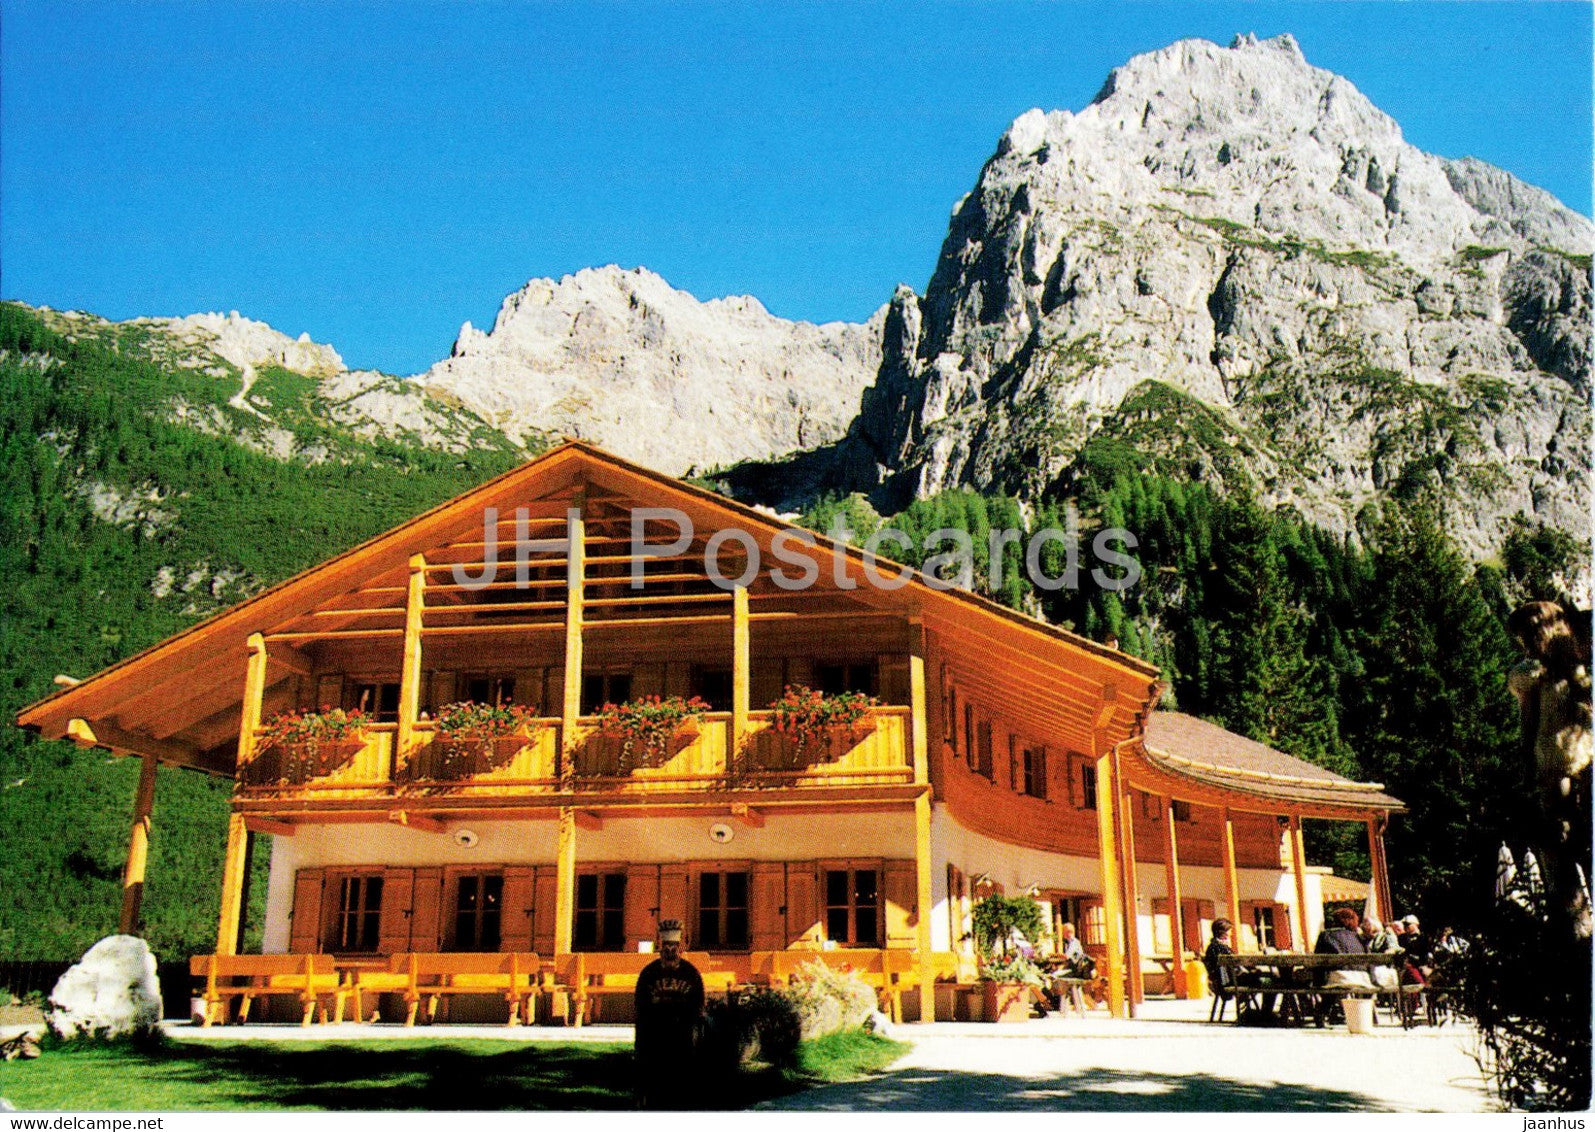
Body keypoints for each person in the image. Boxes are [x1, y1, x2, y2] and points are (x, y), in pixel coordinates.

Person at [634, 920, 705, 1109]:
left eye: (674, 948)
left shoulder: (691, 974)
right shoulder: (648, 974)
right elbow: (641, 1009)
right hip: (656, 1035)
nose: (670, 952)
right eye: (667, 948)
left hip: (682, 1034)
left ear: (680, 949)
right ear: (660, 948)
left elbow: (698, 1006)